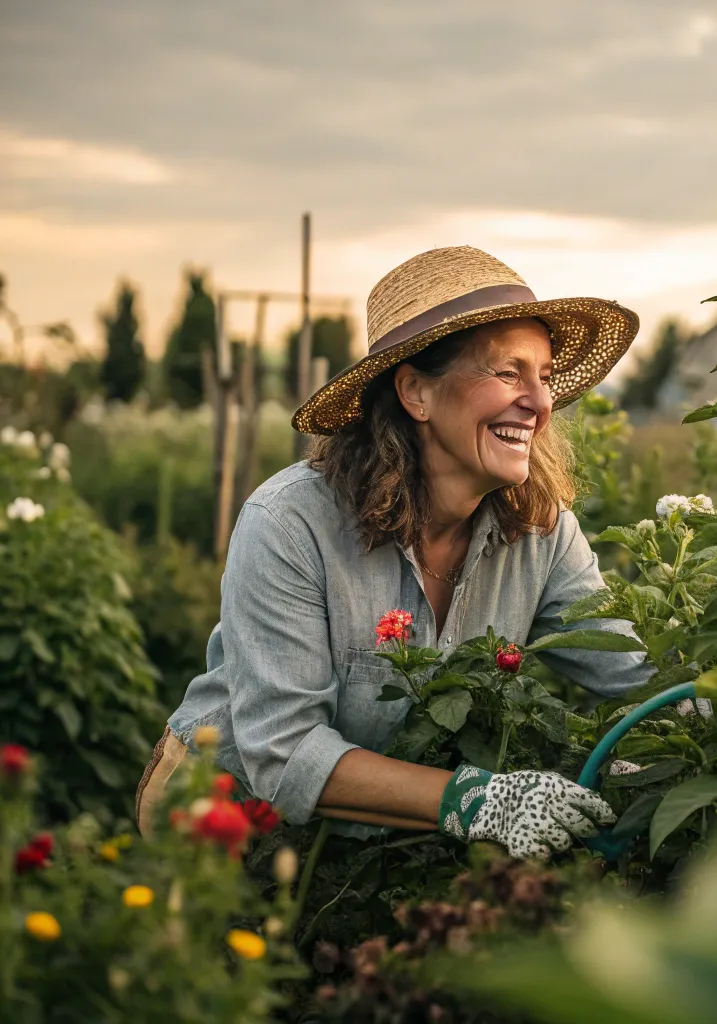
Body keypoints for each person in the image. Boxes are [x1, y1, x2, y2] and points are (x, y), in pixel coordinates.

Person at [136, 246, 649, 860]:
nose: (540, 403)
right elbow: (285, 752)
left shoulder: (539, 529)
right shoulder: (292, 524)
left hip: (378, 845)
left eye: (542, 376)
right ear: (415, 393)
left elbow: (635, 669)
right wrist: (478, 799)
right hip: (228, 822)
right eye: (509, 374)